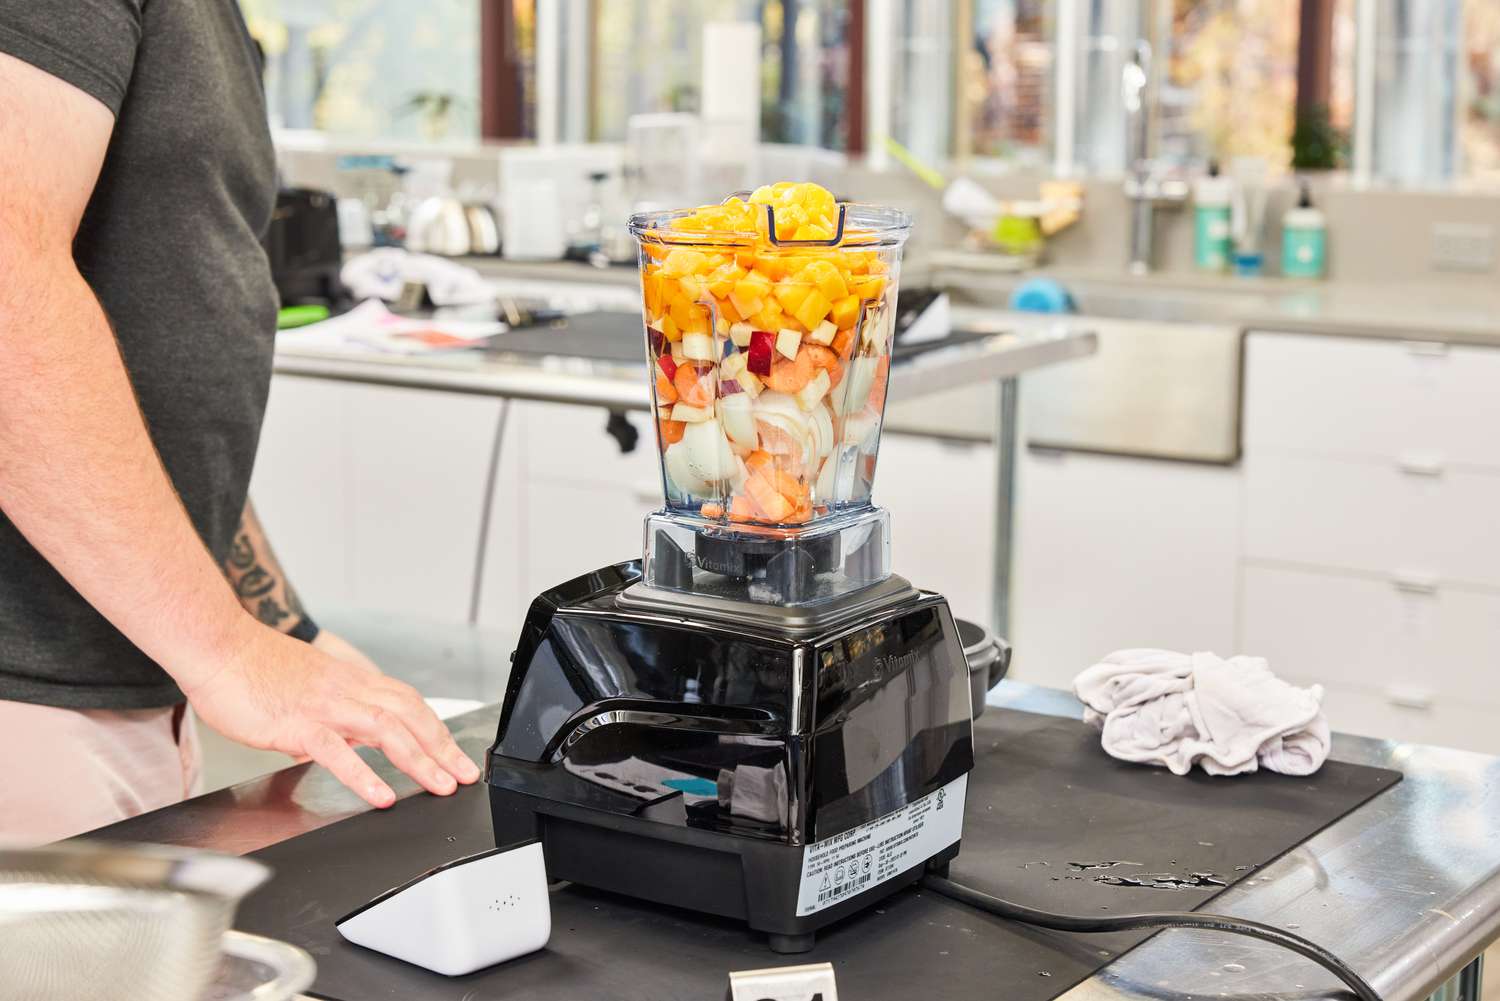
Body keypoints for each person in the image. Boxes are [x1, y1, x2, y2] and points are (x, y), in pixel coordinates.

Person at [0, 2, 478, 845]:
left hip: (134, 674)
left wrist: (283, 630)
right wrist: (223, 648)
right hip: (31, 697)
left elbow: (153, 420)